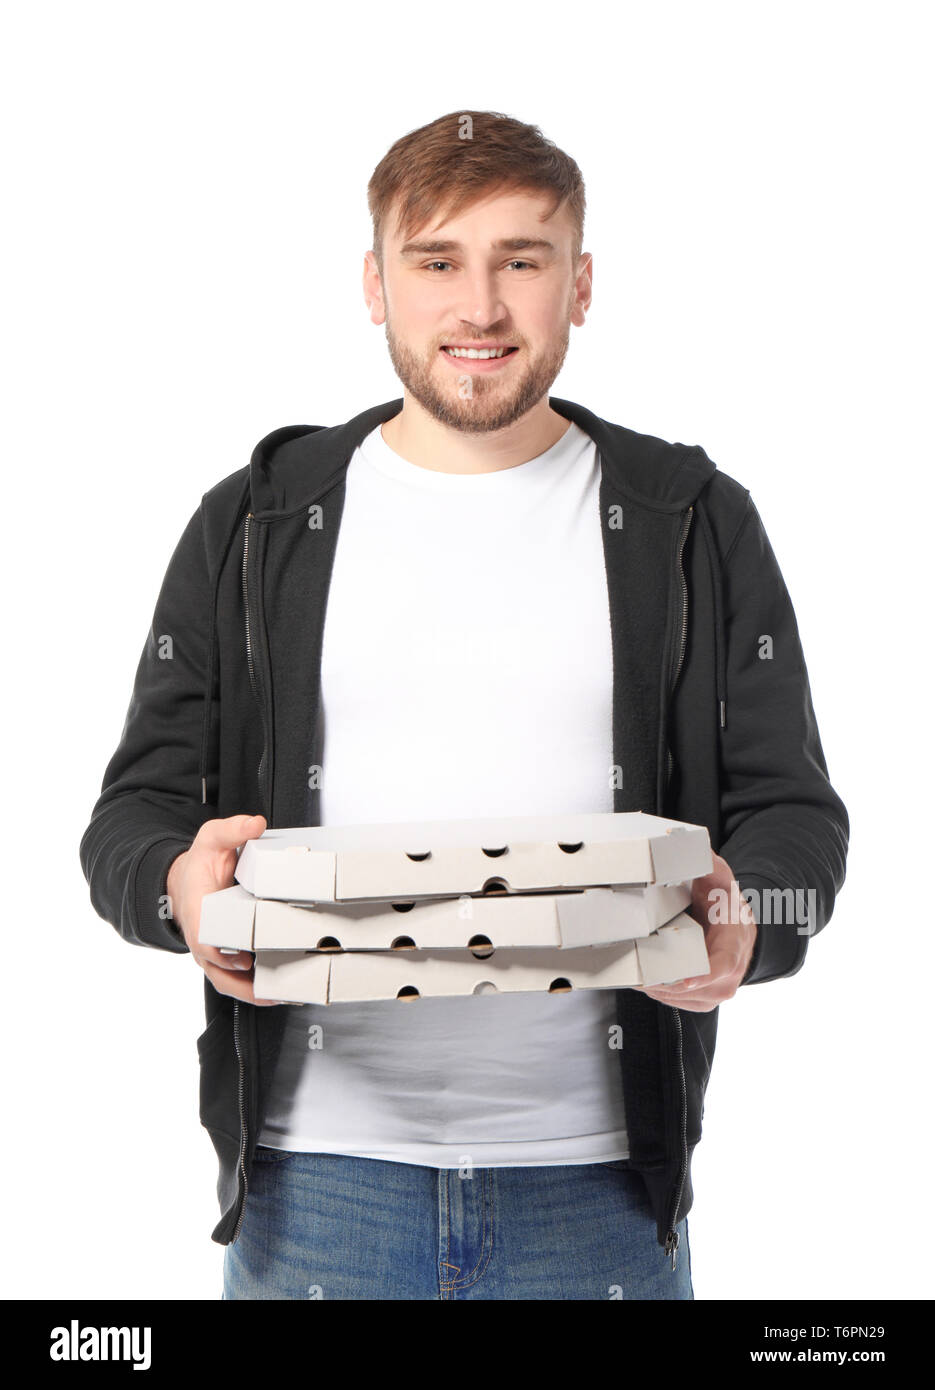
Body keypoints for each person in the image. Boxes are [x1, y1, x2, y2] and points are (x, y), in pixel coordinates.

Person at [79, 109, 848, 1301]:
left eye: (520, 261)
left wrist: (753, 921)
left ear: (578, 284)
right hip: (314, 1195)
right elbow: (125, 824)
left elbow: (799, 822)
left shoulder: (690, 517)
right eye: (436, 261)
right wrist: (176, 887)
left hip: (596, 1199)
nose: (478, 308)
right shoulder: (253, 521)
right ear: (374, 284)